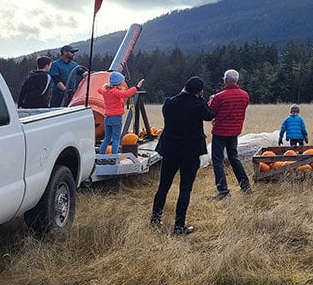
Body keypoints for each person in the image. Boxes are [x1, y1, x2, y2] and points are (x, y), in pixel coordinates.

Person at [152, 76, 215, 235]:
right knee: (185, 189)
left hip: (170, 150)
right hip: (190, 152)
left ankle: (155, 219)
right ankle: (179, 226)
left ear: (184, 86)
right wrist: (204, 100)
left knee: (163, 186)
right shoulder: (197, 105)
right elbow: (210, 115)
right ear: (199, 92)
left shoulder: (169, 103)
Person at [208, 69, 252, 199]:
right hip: (234, 132)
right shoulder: (245, 95)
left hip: (220, 132)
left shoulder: (219, 97)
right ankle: (245, 186)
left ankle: (223, 191)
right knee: (234, 158)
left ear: (226, 80)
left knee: (218, 161)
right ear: (236, 80)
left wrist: (211, 100)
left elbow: (210, 113)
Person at [98, 72, 143, 155]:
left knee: (107, 138)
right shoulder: (116, 92)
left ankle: (101, 155)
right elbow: (126, 94)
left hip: (107, 118)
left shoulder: (105, 91)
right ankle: (114, 156)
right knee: (116, 138)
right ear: (119, 83)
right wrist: (137, 87)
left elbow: (99, 90)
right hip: (116, 118)